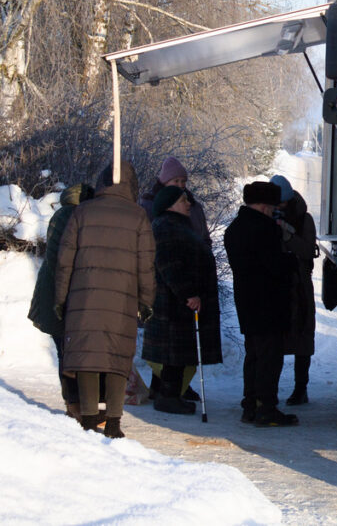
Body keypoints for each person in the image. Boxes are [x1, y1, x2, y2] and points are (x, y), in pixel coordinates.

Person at [54, 159, 156, 439]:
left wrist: (61, 298)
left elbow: (65, 261)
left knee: (87, 355)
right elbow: (146, 264)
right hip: (123, 299)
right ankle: (113, 422)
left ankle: (88, 418)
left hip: (83, 298)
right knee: (116, 356)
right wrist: (146, 301)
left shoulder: (82, 213)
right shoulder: (138, 217)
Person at [224, 181, 298, 427]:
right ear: (266, 206)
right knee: (269, 357)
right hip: (269, 302)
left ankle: (251, 405)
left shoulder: (234, 228)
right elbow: (274, 266)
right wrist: (291, 261)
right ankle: (266, 407)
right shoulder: (265, 229)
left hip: (246, 301)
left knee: (254, 355)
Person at [143, 186, 223, 415]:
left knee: (176, 352)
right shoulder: (167, 227)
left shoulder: (174, 225)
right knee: (173, 353)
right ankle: (168, 396)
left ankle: (164, 392)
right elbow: (169, 264)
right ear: (169, 205)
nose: (188, 203)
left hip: (176, 303)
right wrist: (188, 293)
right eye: (183, 200)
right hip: (173, 305)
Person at [138, 155, 211, 402]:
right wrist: (188, 291)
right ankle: (168, 392)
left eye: (183, 180)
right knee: (171, 345)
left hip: (181, 286)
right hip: (169, 291)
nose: (181, 184)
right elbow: (167, 259)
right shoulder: (157, 213)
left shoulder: (190, 206)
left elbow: (201, 235)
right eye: (176, 180)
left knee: (176, 345)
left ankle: (171, 388)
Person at [27, 183, 95, 420]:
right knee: (69, 353)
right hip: (60, 297)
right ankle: (74, 405)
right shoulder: (71, 216)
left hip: (52, 295)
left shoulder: (62, 214)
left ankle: (74, 404)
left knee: (66, 351)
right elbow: (67, 258)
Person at [270, 175, 317, 406]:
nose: (278, 208)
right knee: (275, 339)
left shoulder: (303, 219)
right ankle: (270, 388)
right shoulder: (266, 215)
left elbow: (308, 251)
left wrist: (288, 234)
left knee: (302, 339)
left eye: (281, 203)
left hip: (299, 285)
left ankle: (301, 388)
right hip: (277, 284)